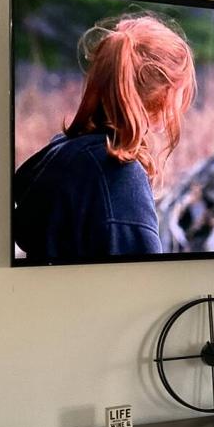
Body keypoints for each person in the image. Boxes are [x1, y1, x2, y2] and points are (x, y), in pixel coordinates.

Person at [14, 13, 196, 261]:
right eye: (182, 92)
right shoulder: (119, 177)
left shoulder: (62, 155)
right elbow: (144, 280)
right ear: (166, 94)